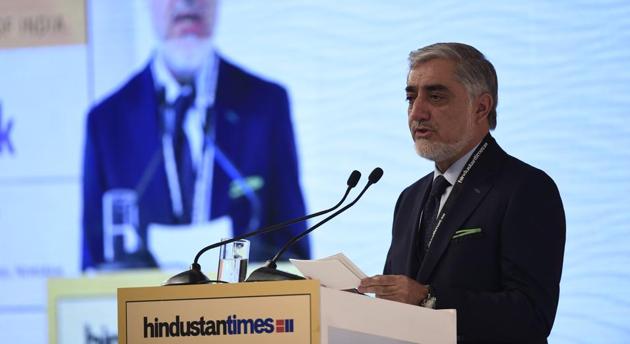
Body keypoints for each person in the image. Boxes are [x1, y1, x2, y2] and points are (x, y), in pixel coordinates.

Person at [358, 43, 565, 343]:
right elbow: (400, 305)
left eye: (436, 96)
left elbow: (532, 314)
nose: (417, 112)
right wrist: (352, 303)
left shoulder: (525, 188)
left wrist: (429, 298)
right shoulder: (409, 199)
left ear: (481, 107)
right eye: (410, 97)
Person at [81, 0, 310, 270]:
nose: (186, 2)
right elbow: (93, 266)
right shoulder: (107, 121)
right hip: (148, 309)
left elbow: (293, 249)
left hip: (244, 309)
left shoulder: (266, 106)